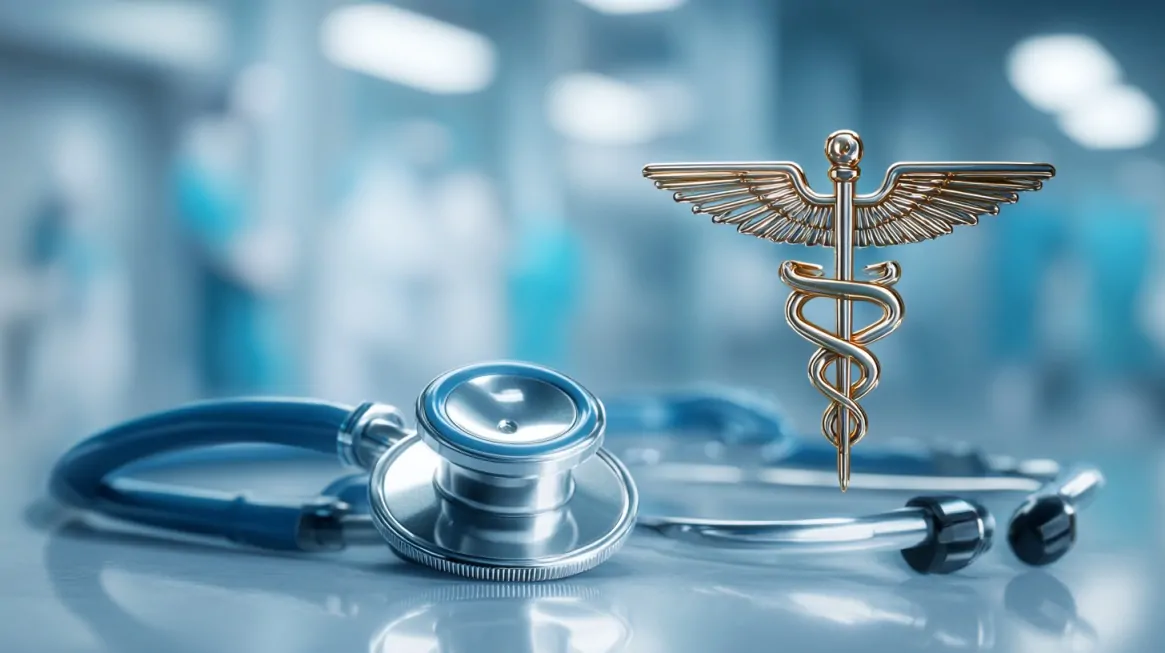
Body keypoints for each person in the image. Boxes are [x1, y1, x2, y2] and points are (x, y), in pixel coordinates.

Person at [173, 66, 296, 397]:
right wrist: (269, 256)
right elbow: (249, 266)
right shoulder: (201, 173)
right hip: (225, 356)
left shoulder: (231, 178)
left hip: (248, 350)